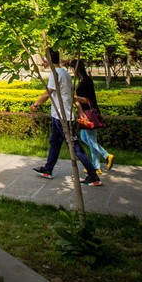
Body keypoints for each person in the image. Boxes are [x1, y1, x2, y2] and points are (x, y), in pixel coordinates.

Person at [29, 49, 101, 185]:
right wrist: (79, 110)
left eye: (45, 59)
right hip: (59, 116)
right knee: (55, 142)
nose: (43, 62)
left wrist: (35, 104)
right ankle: (48, 169)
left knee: (74, 147)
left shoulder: (55, 74)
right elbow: (71, 95)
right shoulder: (65, 73)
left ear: (49, 60)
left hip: (63, 117)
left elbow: (47, 93)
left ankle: (93, 175)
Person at [72, 58, 114, 175]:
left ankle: (99, 163)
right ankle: (98, 163)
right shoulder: (84, 80)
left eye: (71, 68)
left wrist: (74, 97)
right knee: (86, 138)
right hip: (85, 113)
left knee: (91, 139)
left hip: (89, 114)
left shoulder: (85, 82)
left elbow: (87, 100)